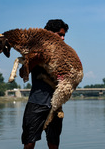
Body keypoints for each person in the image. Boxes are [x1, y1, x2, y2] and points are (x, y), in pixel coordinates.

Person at [20, 19, 69, 149]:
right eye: (60, 34)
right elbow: (22, 73)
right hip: (37, 103)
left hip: (55, 105)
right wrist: (35, 60)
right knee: (29, 143)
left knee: (53, 143)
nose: (63, 38)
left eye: (64, 35)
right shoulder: (36, 50)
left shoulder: (63, 55)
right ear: (50, 34)